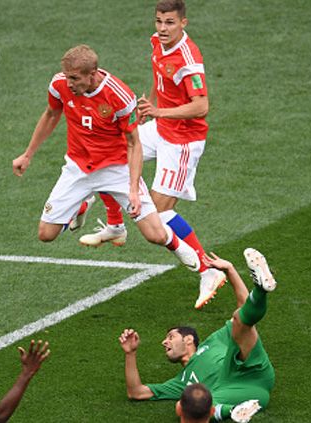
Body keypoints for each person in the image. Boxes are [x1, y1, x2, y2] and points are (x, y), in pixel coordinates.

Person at [72, 0, 225, 309]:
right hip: (162, 126)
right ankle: (111, 222)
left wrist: (159, 110)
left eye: (169, 23)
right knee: (111, 146)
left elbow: (201, 106)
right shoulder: (157, 42)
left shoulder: (188, 59)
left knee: (157, 211)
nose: (162, 28)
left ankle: (208, 271)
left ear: (184, 23)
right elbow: (160, 79)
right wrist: (147, 109)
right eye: (159, 21)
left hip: (183, 141)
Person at [12, 44, 200, 273]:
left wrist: (133, 189)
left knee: (155, 235)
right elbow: (51, 114)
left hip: (116, 169)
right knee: (45, 234)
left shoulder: (119, 96)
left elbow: (134, 143)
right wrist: (28, 154)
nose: (70, 83)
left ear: (92, 75)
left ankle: (178, 246)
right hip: (78, 168)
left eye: (75, 78)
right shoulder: (59, 84)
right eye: (67, 76)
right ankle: (80, 205)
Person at [119, 248, 278, 422]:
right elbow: (136, 392)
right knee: (188, 406)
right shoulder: (182, 381)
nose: (165, 342)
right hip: (250, 395)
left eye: (171, 336)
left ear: (188, 339)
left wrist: (230, 270)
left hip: (251, 369)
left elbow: (242, 305)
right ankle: (234, 411)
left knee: (240, 320)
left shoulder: (213, 341)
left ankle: (261, 290)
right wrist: (130, 353)